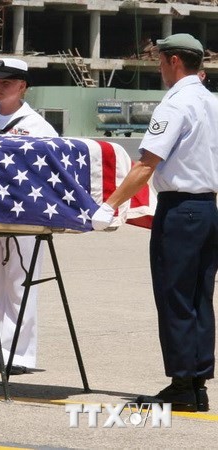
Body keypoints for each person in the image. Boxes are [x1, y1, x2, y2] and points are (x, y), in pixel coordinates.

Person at [92, 33, 218, 412]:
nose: (159, 67)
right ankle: (197, 383)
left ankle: (182, 385)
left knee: (174, 296)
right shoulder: (211, 102)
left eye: (161, 60)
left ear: (175, 61)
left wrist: (110, 204)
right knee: (199, 298)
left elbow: (146, 164)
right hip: (208, 209)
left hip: (181, 211)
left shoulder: (175, 104)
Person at [0, 58, 58, 375]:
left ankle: (19, 355)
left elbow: (51, 171)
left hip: (25, 214)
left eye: (6, 81)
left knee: (21, 284)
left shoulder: (38, 126)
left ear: (22, 86)